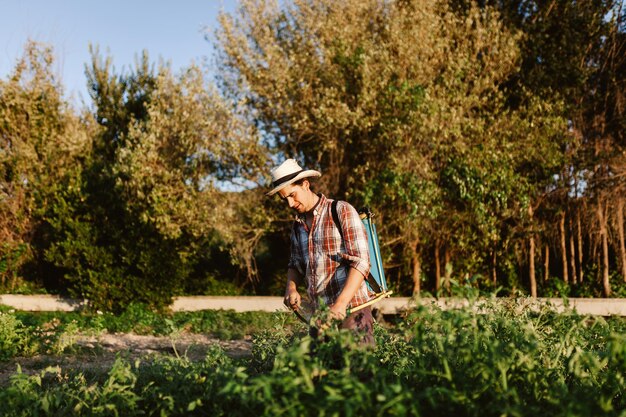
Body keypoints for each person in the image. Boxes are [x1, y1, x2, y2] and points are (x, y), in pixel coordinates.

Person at [267, 159, 375, 345]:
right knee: (322, 371)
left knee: (358, 371)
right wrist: (291, 288)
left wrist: (340, 304)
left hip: (352, 309)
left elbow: (361, 262)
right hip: (320, 316)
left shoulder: (341, 211)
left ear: (305, 184)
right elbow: (295, 264)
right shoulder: (297, 226)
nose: (290, 204)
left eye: (293, 195)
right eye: (285, 199)